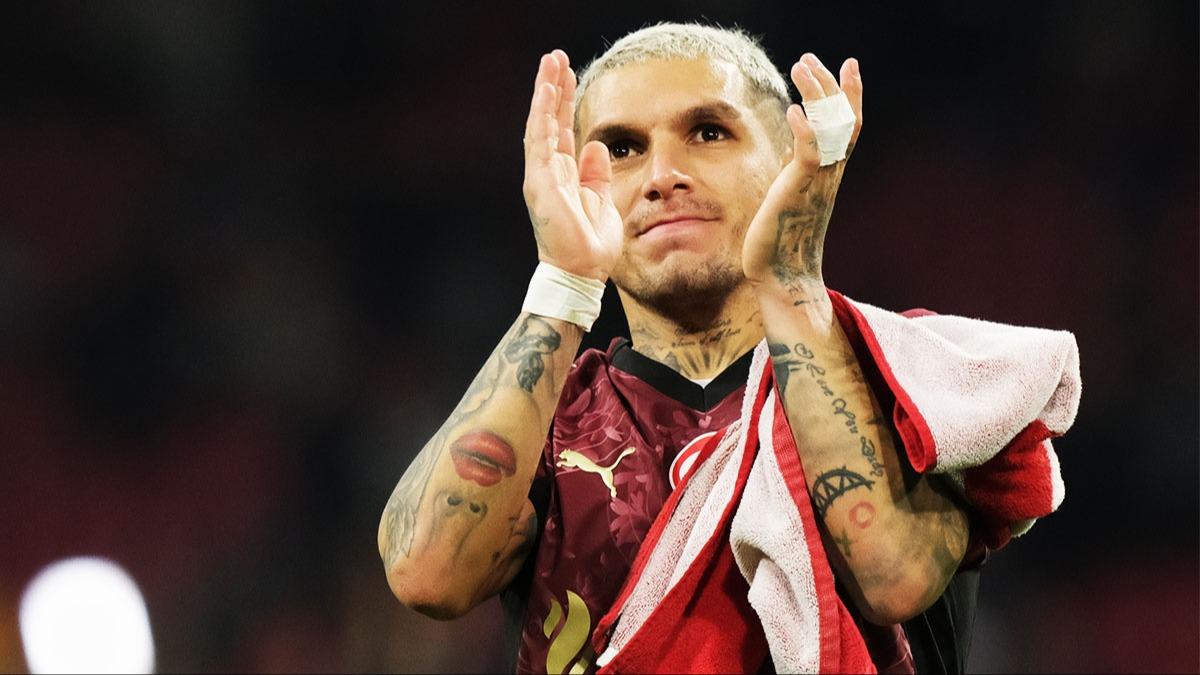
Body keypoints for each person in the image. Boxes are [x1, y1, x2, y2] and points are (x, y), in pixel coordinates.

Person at [378, 23, 983, 673]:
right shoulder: (543, 430)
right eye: (622, 148)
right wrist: (563, 284)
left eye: (708, 133)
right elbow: (426, 574)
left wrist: (790, 277)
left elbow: (893, 577)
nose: (663, 176)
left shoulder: (910, 372)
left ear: (790, 159)